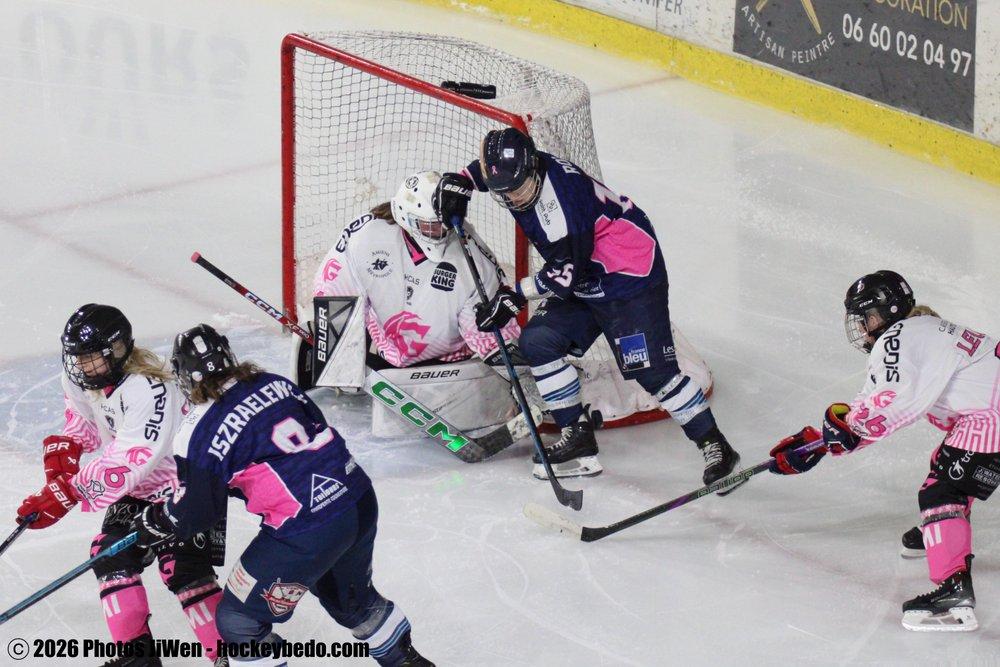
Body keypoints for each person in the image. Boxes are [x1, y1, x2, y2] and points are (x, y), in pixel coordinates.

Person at [436, 127, 742, 486]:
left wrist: (514, 296)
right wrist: (461, 181)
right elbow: (487, 172)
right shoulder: (520, 172)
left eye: (517, 189)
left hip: (628, 278)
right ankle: (577, 435)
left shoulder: (562, 206)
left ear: (533, 168)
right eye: (503, 192)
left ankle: (715, 445)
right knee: (539, 342)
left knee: (653, 374)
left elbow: (564, 274)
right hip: (586, 275)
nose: (513, 198)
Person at [132, 324, 431, 665]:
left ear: (185, 376)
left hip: (308, 529)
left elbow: (198, 512)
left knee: (239, 620)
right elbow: (311, 434)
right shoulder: (275, 383)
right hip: (358, 498)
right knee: (352, 602)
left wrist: (158, 520)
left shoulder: (197, 429)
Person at [768, 270, 1000, 632]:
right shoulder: (917, 330)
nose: (862, 328)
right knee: (948, 464)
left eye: (867, 318)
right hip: (989, 410)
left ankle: (955, 592)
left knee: (942, 491)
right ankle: (942, 532)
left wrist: (842, 434)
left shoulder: (896, 338)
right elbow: (874, 402)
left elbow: (893, 404)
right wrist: (822, 441)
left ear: (887, 311)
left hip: (992, 414)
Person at [15, 304, 225, 666]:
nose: (80, 366)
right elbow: (84, 420)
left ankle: (234, 657)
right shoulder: (82, 377)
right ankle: (136, 659)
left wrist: (69, 492)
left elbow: (129, 460)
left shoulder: (149, 387)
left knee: (184, 569)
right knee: (109, 555)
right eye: (76, 357)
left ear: (116, 350)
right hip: (138, 488)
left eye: (89, 357)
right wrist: (67, 450)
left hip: (186, 483)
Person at [299, 170, 531, 446]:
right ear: (406, 216)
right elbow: (335, 286)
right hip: (390, 357)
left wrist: (520, 380)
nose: (440, 232)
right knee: (342, 371)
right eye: (430, 225)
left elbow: (487, 327)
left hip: (454, 365)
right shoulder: (366, 237)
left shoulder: (470, 255)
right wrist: (341, 360)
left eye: (442, 224)